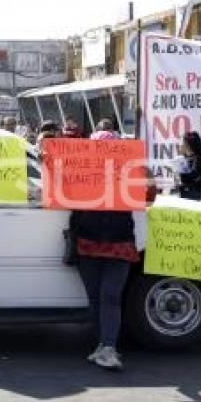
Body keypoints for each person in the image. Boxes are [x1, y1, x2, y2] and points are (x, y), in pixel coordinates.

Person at [69, 130, 139, 371]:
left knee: (109, 297)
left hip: (118, 244)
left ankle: (109, 347)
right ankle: (103, 345)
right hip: (89, 242)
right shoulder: (81, 175)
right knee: (97, 299)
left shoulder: (128, 174)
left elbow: (147, 194)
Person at [178, 131, 201, 201]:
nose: (180, 145)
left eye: (183, 143)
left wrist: (181, 174)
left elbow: (195, 176)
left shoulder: (198, 158)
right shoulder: (184, 157)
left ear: (188, 144)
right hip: (185, 191)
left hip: (193, 193)